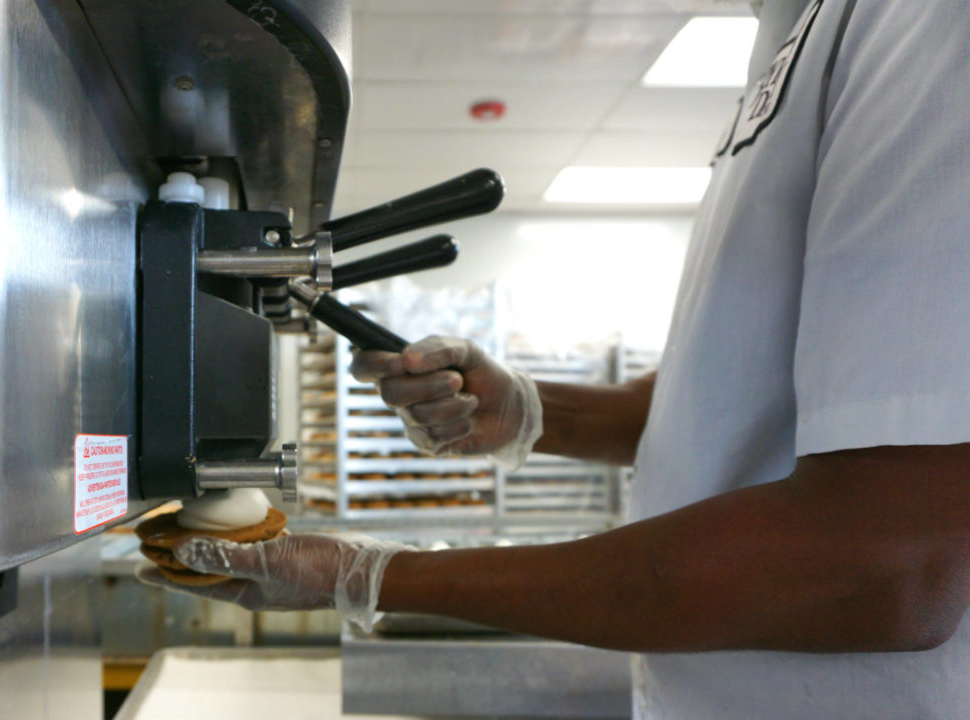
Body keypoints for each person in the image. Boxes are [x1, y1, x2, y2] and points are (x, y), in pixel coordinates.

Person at [142, 0, 970, 716]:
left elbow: (882, 563)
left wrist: (368, 576)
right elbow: (736, 401)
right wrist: (537, 412)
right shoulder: (790, 30)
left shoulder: (925, 28)